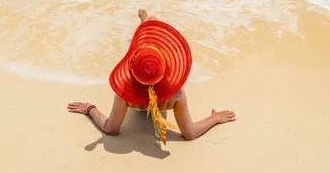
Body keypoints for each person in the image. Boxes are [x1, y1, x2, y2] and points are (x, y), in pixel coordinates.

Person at [68, 9, 236, 145]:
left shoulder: (124, 89)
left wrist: (91, 109)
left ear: (130, 67)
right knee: (149, 42)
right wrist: (214, 118)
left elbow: (110, 128)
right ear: (167, 67)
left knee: (144, 42)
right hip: (157, 74)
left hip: (138, 76)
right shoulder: (176, 93)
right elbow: (189, 133)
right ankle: (147, 21)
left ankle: (147, 22)